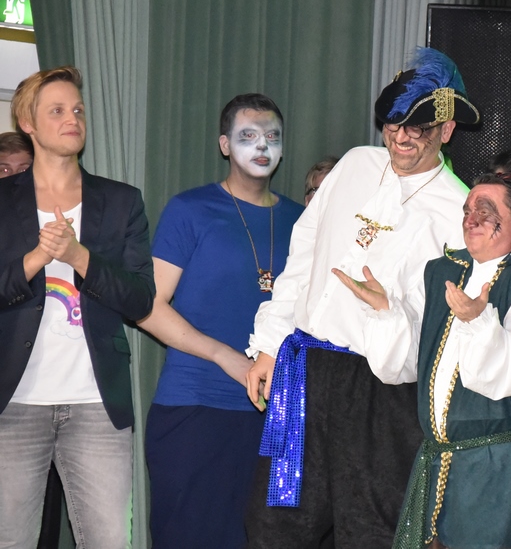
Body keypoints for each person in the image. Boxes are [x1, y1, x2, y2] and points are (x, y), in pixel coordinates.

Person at [243, 47, 478, 547]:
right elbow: (303, 257)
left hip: (381, 395)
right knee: (275, 527)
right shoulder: (354, 165)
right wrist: (269, 345)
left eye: (418, 128)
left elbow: (442, 341)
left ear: (447, 129)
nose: (402, 138)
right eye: (393, 125)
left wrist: (389, 312)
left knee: (371, 533)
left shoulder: (458, 212)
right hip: (305, 371)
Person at [336, 172, 511, 549]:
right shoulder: (444, 271)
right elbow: (414, 361)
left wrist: (480, 322)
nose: (471, 219)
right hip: (440, 460)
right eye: (468, 210)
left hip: (496, 465)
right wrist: (387, 312)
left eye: (486, 212)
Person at [137, 93, 303, 548]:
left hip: (277, 418)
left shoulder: (303, 221)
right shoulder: (190, 210)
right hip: (196, 408)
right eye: (248, 136)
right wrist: (225, 356)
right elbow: (148, 305)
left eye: (272, 136)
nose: (262, 146)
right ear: (225, 145)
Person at [0, 66, 154, 547]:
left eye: (78, 110)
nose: (73, 119)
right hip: (13, 403)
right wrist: (36, 259)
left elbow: (140, 298)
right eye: (58, 111)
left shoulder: (122, 201)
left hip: (97, 405)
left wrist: (79, 257)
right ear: (28, 122)